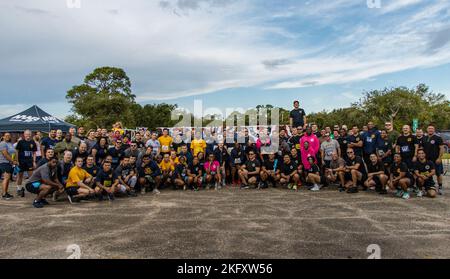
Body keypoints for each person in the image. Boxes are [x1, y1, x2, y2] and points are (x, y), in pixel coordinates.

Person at [422, 124, 445, 195]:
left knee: (438, 173)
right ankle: (427, 187)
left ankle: (440, 187)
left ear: (434, 130)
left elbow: (442, 148)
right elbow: (422, 149)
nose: (430, 130)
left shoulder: (438, 138)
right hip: (427, 161)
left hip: (436, 160)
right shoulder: (424, 138)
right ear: (427, 129)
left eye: (432, 128)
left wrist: (439, 158)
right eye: (429, 128)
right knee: (426, 174)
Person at [15, 130, 37, 197]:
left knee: (31, 176)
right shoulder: (20, 142)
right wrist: (17, 160)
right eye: (27, 134)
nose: (28, 135)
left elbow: (34, 153)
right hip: (21, 162)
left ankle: (31, 189)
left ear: (31, 135)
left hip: (29, 162)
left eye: (29, 134)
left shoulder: (33, 142)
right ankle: (19, 189)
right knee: (20, 176)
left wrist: (34, 161)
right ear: (24, 135)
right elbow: (17, 151)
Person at [0, 133, 17, 200]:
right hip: (3, 162)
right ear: (3, 137)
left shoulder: (10, 143)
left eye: (9, 136)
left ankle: (6, 192)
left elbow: (13, 152)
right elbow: (5, 154)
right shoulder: (2, 143)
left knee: (8, 178)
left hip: (9, 163)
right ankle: (4, 194)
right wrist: (12, 161)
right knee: (6, 178)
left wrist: (14, 160)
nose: (8, 137)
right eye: (6, 135)